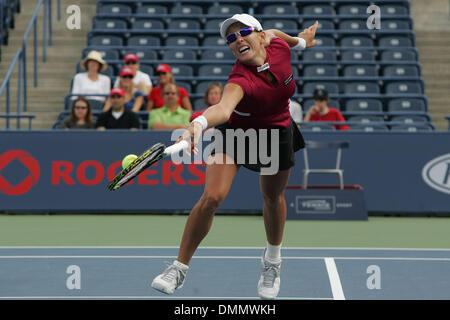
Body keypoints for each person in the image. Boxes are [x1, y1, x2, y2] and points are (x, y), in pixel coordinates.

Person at [151, 14, 318, 299]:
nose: (238, 39)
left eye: (244, 32)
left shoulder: (276, 43)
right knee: (212, 197)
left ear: (261, 35)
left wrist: (302, 41)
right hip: (236, 134)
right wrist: (198, 125)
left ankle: (272, 261)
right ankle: (179, 268)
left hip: (276, 134)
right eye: (231, 38)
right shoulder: (239, 79)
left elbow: (281, 35)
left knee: (272, 197)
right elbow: (223, 109)